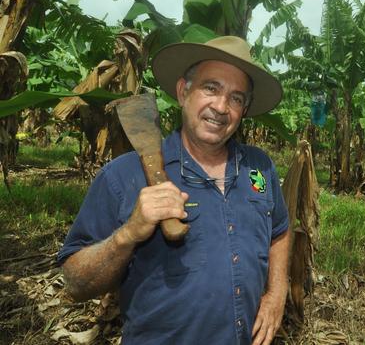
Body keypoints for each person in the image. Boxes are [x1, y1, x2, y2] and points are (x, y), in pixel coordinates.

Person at [57, 36, 291, 345]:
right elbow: (75, 282)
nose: (221, 107)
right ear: (183, 92)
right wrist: (128, 234)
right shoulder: (123, 176)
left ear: (244, 110)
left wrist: (276, 294)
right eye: (211, 88)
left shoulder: (259, 167)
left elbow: (279, 231)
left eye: (235, 98)